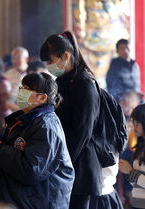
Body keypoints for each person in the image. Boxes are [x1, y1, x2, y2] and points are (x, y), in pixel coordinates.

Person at [0, 72, 74, 209]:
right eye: (22, 88)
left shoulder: (46, 126)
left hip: (36, 202)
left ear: (43, 97)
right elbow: (3, 166)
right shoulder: (21, 121)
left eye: (27, 89)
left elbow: (31, 170)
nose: (21, 92)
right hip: (14, 198)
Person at [40, 31, 101, 209]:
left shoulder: (85, 83)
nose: (49, 66)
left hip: (79, 167)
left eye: (51, 61)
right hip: (65, 162)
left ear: (66, 56)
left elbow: (83, 132)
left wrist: (63, 164)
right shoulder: (63, 80)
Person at [4, 46, 29, 111]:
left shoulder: (34, 72)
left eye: (18, 57)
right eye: (13, 58)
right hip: (12, 110)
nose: (15, 60)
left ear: (27, 59)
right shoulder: (7, 75)